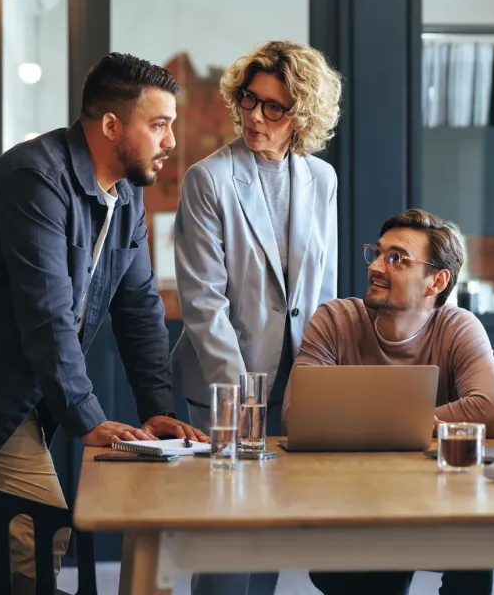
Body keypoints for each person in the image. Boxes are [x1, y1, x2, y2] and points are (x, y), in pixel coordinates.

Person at [0, 52, 205, 587]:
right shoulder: (35, 180)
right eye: (159, 125)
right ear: (112, 125)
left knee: (40, 530)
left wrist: (157, 411)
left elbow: (138, 307)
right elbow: (46, 313)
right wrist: (88, 418)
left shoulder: (126, 199)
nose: (170, 142)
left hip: (5, 385)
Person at [169, 40, 342, 595]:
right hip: (223, 387)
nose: (256, 117)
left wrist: (322, 379)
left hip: (297, 384)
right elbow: (203, 302)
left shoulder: (322, 179)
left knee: (268, 532)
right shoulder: (208, 179)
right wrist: (239, 400)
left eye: (276, 108)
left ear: (303, 116)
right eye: (250, 100)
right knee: (224, 545)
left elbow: (325, 289)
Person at [285, 209, 494, 595]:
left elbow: (492, 409)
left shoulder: (457, 326)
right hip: (352, 503)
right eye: (377, 252)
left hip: (438, 501)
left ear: (436, 282)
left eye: (396, 259)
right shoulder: (335, 320)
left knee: (475, 549)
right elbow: (296, 417)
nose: (376, 266)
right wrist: (417, 425)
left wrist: (369, 425)